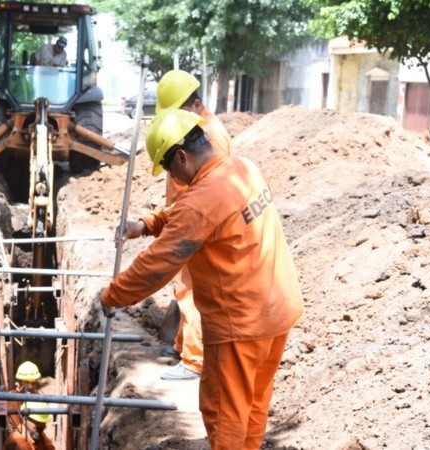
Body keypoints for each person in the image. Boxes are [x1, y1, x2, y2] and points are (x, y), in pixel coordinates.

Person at [100, 108, 304, 449]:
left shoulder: (203, 200)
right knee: (252, 406)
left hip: (240, 324)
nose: (171, 177)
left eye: (168, 168)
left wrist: (112, 295)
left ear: (181, 156)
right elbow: (197, 212)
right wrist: (147, 224)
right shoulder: (241, 168)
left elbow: (157, 264)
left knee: (224, 416)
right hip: (276, 311)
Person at [153, 69, 233, 381]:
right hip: (185, 219)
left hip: (197, 227)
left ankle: (194, 359)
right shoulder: (196, 130)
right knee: (183, 288)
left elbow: (208, 196)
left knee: (193, 290)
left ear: (196, 104)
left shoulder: (212, 137)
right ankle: (180, 345)